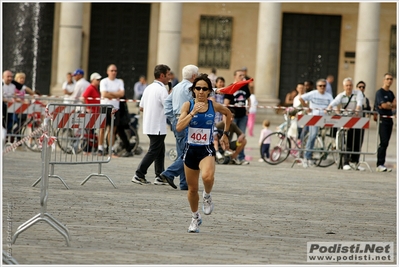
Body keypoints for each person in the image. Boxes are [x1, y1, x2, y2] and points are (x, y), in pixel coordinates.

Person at [175, 74, 232, 233]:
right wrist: (192, 113)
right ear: (193, 90)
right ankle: (195, 217)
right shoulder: (188, 105)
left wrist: (225, 134)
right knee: (192, 189)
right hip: (190, 149)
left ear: (209, 91)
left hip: (206, 149)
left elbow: (228, 113)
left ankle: (207, 196)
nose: (201, 91)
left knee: (207, 176)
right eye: (198, 88)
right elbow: (179, 127)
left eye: (204, 89)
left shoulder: (213, 106)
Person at [160, 64, 199, 190]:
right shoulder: (190, 87)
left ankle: (184, 183)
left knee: (182, 153)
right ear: (194, 76)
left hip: (177, 121)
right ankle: (169, 173)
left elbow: (167, 103)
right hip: (187, 121)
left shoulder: (176, 87)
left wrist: (172, 119)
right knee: (189, 154)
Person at [131, 64, 171, 185]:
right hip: (157, 125)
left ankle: (159, 175)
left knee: (159, 150)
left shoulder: (148, 88)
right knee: (154, 151)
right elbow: (168, 107)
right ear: (162, 75)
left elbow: (141, 107)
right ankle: (139, 174)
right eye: (168, 74)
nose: (169, 77)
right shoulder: (161, 89)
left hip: (149, 124)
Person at [327, 77, 364, 171]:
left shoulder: (357, 93)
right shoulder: (341, 95)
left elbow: (359, 102)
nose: (349, 87)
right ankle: (345, 162)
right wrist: (331, 107)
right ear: (344, 86)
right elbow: (334, 102)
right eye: (347, 85)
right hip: (346, 119)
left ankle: (355, 162)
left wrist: (357, 108)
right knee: (347, 141)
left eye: (350, 85)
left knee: (357, 142)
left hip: (357, 119)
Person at [299, 78, 333, 168]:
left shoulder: (328, 95)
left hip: (324, 119)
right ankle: (307, 157)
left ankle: (315, 154)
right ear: (317, 87)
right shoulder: (313, 93)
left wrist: (329, 109)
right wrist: (306, 108)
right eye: (320, 86)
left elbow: (333, 104)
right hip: (313, 117)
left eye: (324, 86)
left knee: (322, 137)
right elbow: (301, 98)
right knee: (313, 135)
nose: (322, 87)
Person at [224, 69, 251, 165]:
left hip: (243, 115)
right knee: (229, 136)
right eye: (240, 75)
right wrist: (227, 115)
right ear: (235, 76)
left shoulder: (245, 87)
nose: (242, 77)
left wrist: (248, 109)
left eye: (243, 76)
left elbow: (248, 98)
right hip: (233, 116)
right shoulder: (231, 87)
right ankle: (228, 156)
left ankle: (241, 157)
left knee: (242, 136)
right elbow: (226, 103)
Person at [98, 64, 125, 157]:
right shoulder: (104, 81)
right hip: (105, 106)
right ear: (107, 71)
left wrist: (111, 94)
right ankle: (100, 148)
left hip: (115, 108)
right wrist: (115, 94)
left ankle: (111, 148)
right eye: (112, 70)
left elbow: (122, 94)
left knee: (112, 129)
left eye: (115, 71)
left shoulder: (119, 81)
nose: (114, 72)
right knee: (102, 128)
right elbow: (104, 94)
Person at [374, 73, 396, 172]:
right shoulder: (380, 93)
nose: (389, 81)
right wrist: (388, 105)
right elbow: (383, 106)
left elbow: (395, 105)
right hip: (382, 119)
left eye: (391, 79)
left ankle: (382, 163)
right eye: (387, 79)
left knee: (386, 142)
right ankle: (379, 163)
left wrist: (389, 105)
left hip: (389, 119)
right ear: (384, 80)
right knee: (383, 142)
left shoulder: (391, 93)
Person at [81, 72, 102, 153]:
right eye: (97, 79)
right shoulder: (90, 88)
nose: (99, 81)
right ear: (92, 80)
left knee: (91, 131)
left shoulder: (95, 88)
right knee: (89, 132)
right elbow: (83, 97)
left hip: (95, 112)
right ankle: (86, 149)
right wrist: (87, 108)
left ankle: (89, 149)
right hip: (90, 112)